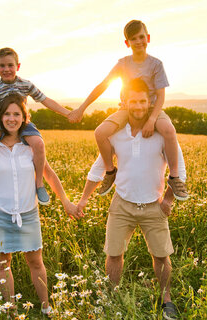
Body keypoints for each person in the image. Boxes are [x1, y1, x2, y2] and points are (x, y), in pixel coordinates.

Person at [76, 78, 186, 320]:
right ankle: (112, 296)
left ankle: (166, 300)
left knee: (161, 255)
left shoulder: (161, 133)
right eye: (133, 101)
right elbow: (98, 170)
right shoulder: (115, 135)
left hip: (153, 205)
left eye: (143, 101)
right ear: (124, 103)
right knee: (114, 254)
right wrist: (83, 199)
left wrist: (168, 200)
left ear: (150, 103)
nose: (138, 105)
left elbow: (180, 169)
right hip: (122, 204)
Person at [0, 94, 78, 315]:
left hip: (27, 213)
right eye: (7, 114)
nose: (11, 119)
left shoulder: (31, 146)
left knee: (36, 262)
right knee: (2, 264)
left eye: (16, 114)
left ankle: (47, 308)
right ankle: (11, 312)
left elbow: (49, 174)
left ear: (24, 117)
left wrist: (65, 200)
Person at [68, 20, 188, 201]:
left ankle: (174, 177)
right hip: (127, 109)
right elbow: (103, 85)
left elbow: (161, 97)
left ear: (147, 38)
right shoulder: (123, 64)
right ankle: (110, 171)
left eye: (141, 37)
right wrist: (82, 108)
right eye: (133, 39)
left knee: (169, 130)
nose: (138, 41)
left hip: (152, 108)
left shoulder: (156, 64)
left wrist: (151, 119)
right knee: (100, 132)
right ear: (127, 43)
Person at [0, 47, 71, 204]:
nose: (6, 69)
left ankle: (39, 184)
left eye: (10, 65)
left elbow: (46, 100)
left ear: (17, 66)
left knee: (39, 143)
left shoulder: (26, 84)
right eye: (2, 66)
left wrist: (67, 113)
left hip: (21, 121)